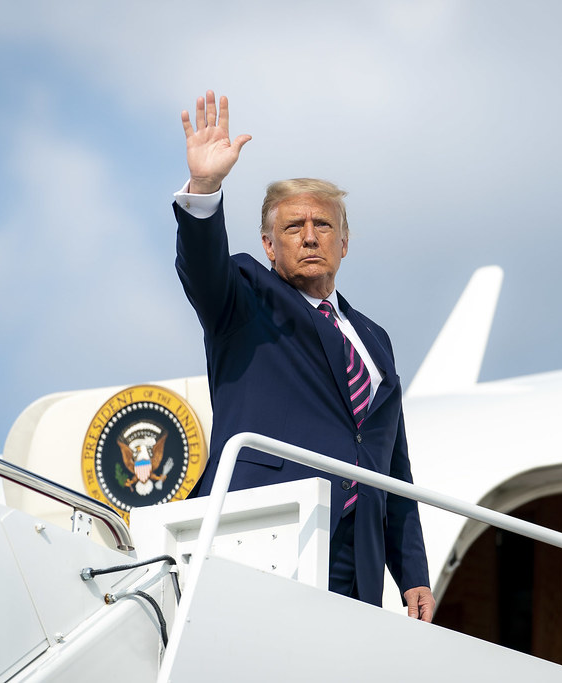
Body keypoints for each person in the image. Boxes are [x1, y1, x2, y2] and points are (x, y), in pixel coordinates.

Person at [173, 90, 435, 620]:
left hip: (354, 561)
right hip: (266, 530)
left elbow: (394, 469)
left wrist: (412, 575)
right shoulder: (246, 293)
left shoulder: (375, 340)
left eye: (323, 226)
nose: (310, 237)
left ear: (344, 243)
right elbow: (204, 268)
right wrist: (205, 187)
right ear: (270, 245)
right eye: (293, 227)